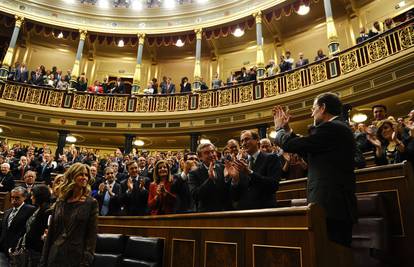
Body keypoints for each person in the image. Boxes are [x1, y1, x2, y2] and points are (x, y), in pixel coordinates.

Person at [272, 92, 357, 247]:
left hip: (332, 206)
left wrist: (279, 130)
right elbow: (307, 148)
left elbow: (295, 145)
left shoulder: (332, 127)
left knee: (334, 255)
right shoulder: (336, 128)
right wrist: (288, 131)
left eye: (313, 108)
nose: (311, 113)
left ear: (323, 108)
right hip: (332, 206)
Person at [40, 163, 98, 266]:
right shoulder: (60, 202)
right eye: (81, 174)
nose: (84, 178)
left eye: (86, 175)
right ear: (72, 176)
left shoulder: (91, 203)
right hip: (55, 256)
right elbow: (51, 234)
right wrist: (43, 260)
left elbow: (91, 235)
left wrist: (86, 261)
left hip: (76, 258)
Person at [227, 130, 282, 210]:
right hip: (244, 213)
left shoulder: (271, 158)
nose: (244, 143)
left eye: (247, 139)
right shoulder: (241, 163)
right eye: (242, 141)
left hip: (265, 211)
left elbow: (273, 185)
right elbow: (235, 197)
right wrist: (235, 180)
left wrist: (250, 173)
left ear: (257, 140)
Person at [188, 143, 232, 212]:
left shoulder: (223, 168)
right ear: (200, 157)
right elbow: (195, 195)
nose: (211, 155)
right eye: (207, 153)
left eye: (212, 151)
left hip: (226, 213)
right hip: (207, 215)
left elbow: (231, 193)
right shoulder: (194, 173)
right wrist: (210, 179)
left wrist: (231, 178)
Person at [0, 187, 35, 259]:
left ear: (24, 197)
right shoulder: (7, 212)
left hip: (18, 250)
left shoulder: (30, 210)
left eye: (17, 198)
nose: (14, 200)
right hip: (3, 249)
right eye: (12, 197)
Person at [24, 185, 52, 266]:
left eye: (33, 195)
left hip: (38, 249)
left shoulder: (47, 210)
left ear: (40, 196)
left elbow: (45, 231)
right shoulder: (38, 208)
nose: (31, 197)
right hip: (32, 248)